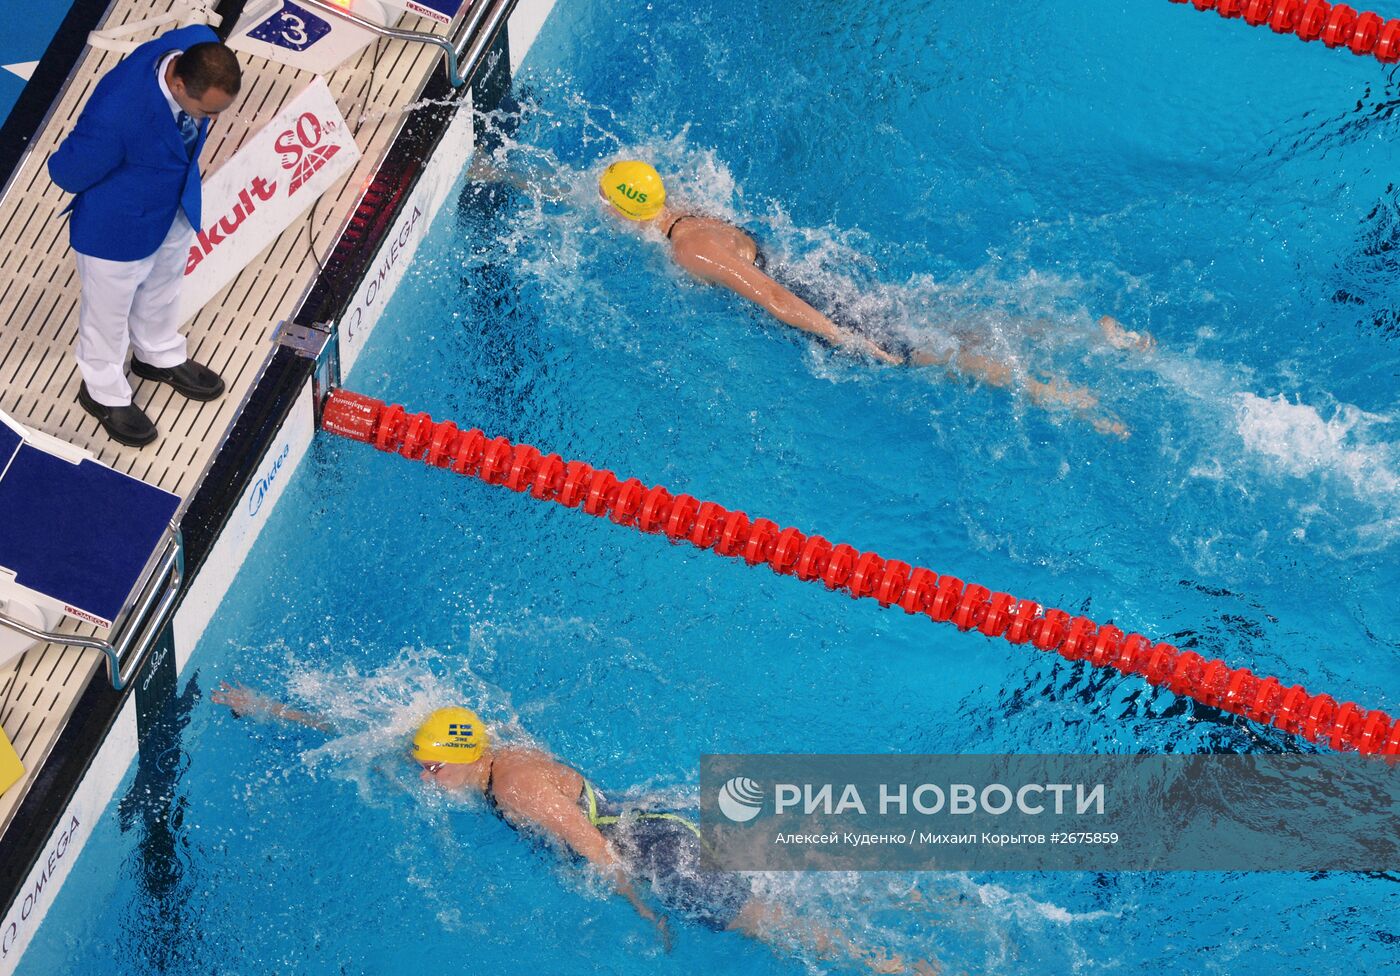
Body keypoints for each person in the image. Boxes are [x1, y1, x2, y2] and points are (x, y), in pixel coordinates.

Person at [211, 682, 938, 974]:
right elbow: (368, 732)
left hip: (658, 856)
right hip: (651, 814)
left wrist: (642, 912)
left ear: (465, 759)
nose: (425, 777)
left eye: (434, 768)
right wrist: (269, 710)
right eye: (424, 764)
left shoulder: (520, 793)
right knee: (787, 888)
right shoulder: (482, 748)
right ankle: (909, 901)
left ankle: (896, 966)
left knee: (768, 923)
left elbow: (598, 852)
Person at [593, 160, 1153, 437]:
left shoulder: (690, 249)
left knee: (932, 356)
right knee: (955, 324)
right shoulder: (692, 209)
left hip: (826, 311)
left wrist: (844, 339)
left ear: (622, 210)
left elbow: (773, 299)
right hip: (837, 286)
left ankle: (1062, 396)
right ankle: (1093, 336)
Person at [47, 26, 241, 447]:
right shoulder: (119, 113)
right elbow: (66, 172)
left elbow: (204, 30)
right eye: (205, 112)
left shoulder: (198, 42)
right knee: (107, 316)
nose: (210, 122)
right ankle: (102, 391)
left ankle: (157, 353)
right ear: (177, 82)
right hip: (117, 228)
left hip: (173, 206)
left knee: (164, 285)